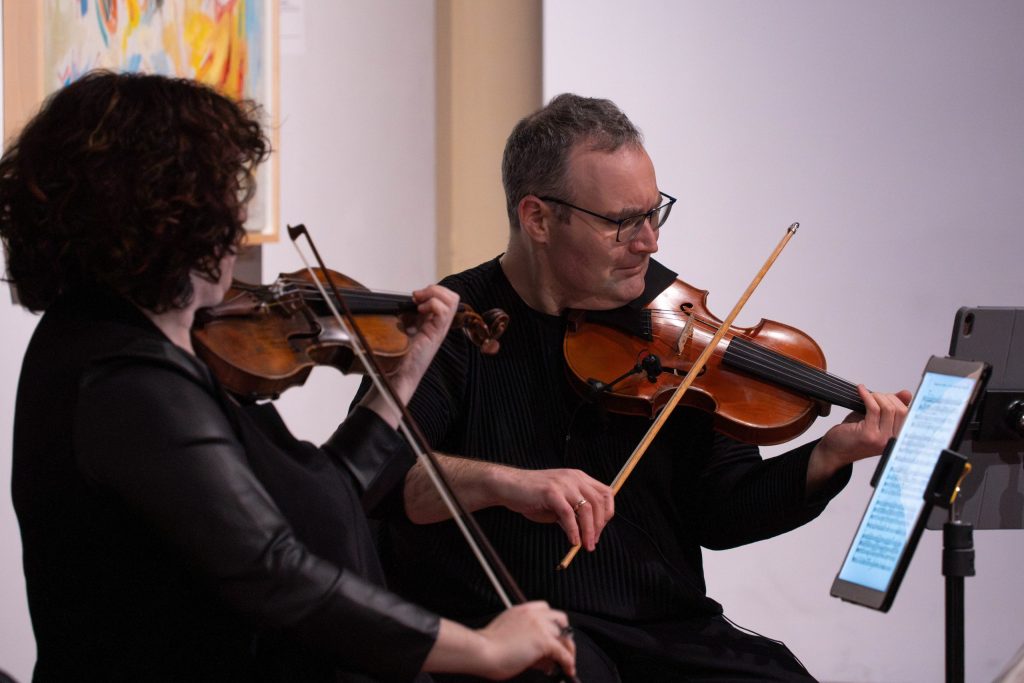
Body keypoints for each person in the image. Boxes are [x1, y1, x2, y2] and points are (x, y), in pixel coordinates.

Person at [2, 71, 576, 682]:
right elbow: (273, 568)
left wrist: (404, 375)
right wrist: (481, 647)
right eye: (224, 192)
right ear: (166, 215)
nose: (238, 218)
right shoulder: (125, 380)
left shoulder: (144, 347)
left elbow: (322, 500)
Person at [365, 94, 912, 682]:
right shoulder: (457, 322)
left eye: (656, 213)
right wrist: (507, 484)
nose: (650, 242)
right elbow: (385, 484)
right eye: (624, 222)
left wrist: (829, 455)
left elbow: (722, 513)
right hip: (512, 630)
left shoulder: (675, 330)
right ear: (538, 218)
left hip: (661, 630)